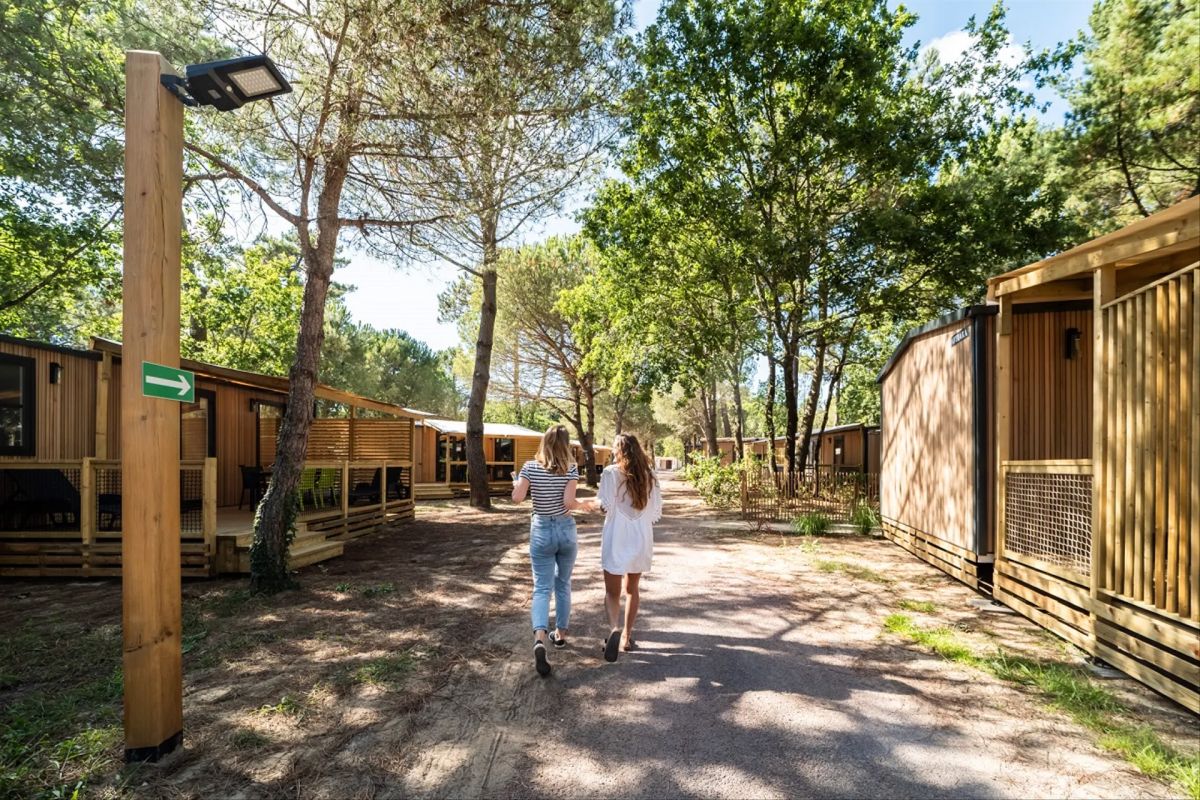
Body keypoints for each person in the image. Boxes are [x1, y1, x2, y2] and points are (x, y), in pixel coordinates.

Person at [511, 424, 595, 677]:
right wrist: (585, 504)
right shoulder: (570, 468)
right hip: (566, 530)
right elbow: (569, 503)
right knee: (563, 583)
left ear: (544, 442)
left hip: (541, 530)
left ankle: (540, 637)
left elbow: (517, 499)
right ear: (566, 444)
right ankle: (560, 634)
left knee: (541, 587)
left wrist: (517, 483)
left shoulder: (529, 466)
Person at [597, 433, 663, 663]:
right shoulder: (650, 475)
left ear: (619, 451)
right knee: (632, 589)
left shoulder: (610, 473)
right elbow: (655, 512)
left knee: (611, 592)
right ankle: (626, 637)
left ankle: (614, 628)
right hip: (640, 536)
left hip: (617, 535)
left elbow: (604, 507)